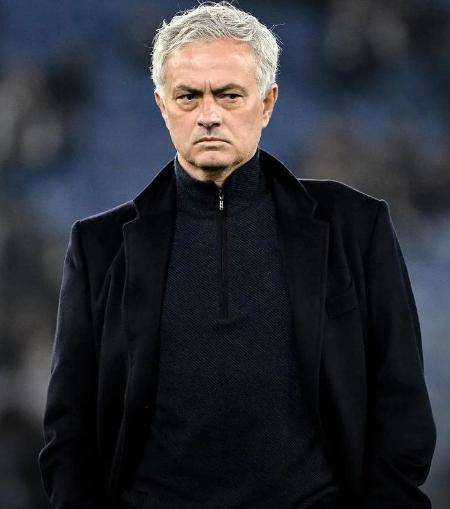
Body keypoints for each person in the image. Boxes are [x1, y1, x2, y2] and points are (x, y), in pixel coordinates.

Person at [38, 2, 436, 509]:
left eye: (229, 95)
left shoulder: (356, 228)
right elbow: (69, 433)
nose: (209, 116)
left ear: (267, 103)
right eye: (188, 96)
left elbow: (401, 406)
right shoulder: (99, 247)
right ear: (162, 105)